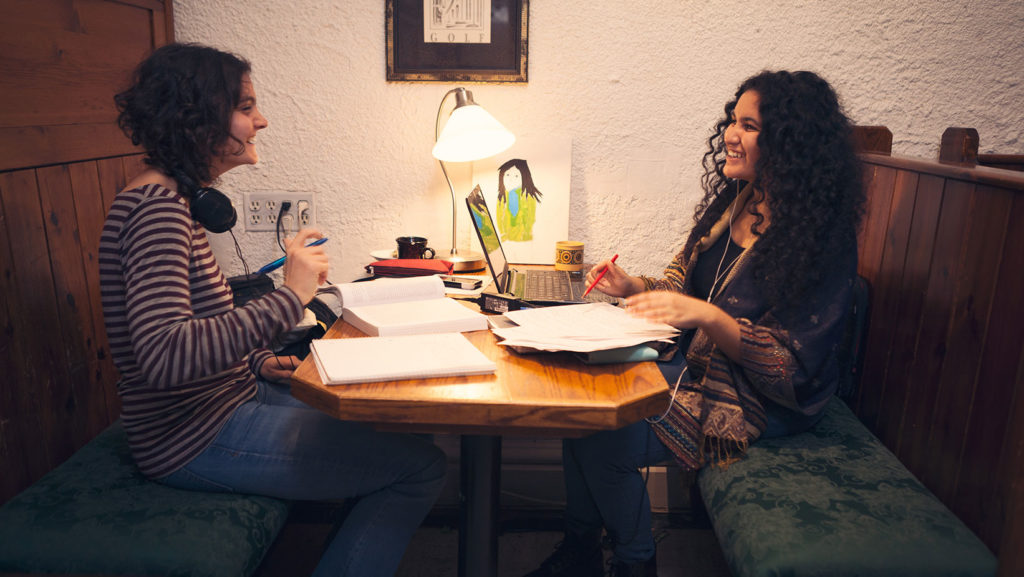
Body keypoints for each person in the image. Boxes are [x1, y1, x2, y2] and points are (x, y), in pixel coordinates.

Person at [100, 43, 447, 577]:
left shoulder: (176, 203)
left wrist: (259, 363)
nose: (260, 121)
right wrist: (291, 297)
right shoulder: (158, 215)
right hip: (190, 436)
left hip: (229, 398)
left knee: (397, 427)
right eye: (245, 107)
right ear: (197, 117)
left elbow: (193, 329)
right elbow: (164, 357)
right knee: (420, 468)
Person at [524, 70, 865, 577]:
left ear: (790, 142)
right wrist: (634, 287)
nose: (730, 133)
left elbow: (789, 368)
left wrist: (707, 315)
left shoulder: (821, 237)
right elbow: (685, 288)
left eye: (749, 125)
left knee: (605, 439)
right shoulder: (738, 201)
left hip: (760, 399)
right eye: (733, 119)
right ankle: (580, 550)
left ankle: (634, 563)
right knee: (585, 413)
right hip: (702, 369)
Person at [496, 158, 543, 241]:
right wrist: (502, 233)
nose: (511, 179)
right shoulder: (502, 197)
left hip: (523, 237)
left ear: (524, 178)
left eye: (516, 176)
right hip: (506, 237)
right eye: (507, 175)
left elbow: (531, 217)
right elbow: (499, 215)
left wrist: (526, 233)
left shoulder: (528, 197)